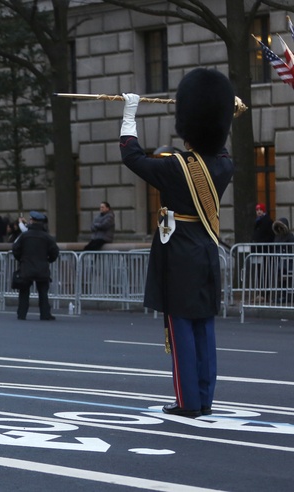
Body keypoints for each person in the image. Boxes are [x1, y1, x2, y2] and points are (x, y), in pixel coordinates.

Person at [120, 68, 235, 417]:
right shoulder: (225, 165)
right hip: (206, 249)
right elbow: (218, 143)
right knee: (204, 327)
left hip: (180, 252)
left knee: (182, 326)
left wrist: (129, 114)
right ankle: (204, 396)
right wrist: (223, 111)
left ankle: (187, 402)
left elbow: (132, 156)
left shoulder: (176, 167)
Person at [12, 211, 59, 321]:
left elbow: (16, 249)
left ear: (32, 221)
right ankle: (45, 314)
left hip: (26, 267)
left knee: (24, 292)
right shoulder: (47, 237)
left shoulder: (24, 236)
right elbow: (54, 252)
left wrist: (21, 259)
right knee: (43, 292)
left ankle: (22, 314)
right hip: (42, 267)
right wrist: (48, 260)